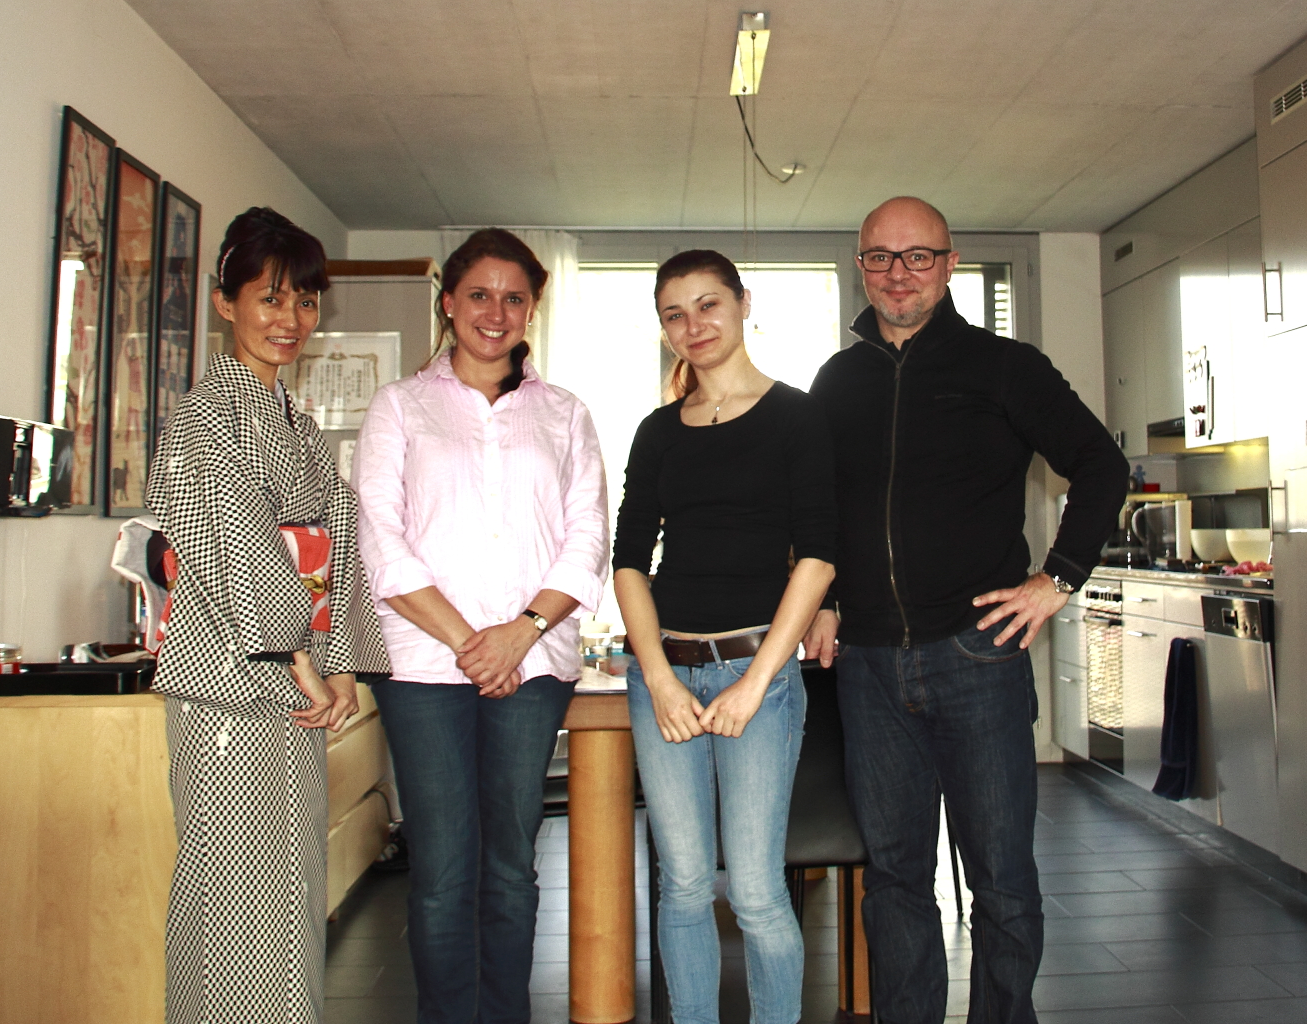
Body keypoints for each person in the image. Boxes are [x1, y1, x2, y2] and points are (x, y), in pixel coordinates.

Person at [804, 197, 1128, 1024]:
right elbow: (820, 508)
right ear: (861, 266)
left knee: (1002, 881)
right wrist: (827, 600)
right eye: (880, 257)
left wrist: (1058, 578)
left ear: (949, 265)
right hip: (869, 667)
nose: (898, 274)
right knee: (894, 881)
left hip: (976, 656)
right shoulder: (837, 381)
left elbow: (1101, 464)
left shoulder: (1005, 367)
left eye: (918, 256)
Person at [352, 228, 609, 1024]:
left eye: (514, 298)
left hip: (532, 668)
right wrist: (474, 641)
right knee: (440, 869)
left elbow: (588, 539)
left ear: (532, 310)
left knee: (509, 865)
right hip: (422, 670)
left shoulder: (565, 415)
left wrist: (519, 633)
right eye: (478, 295)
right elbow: (380, 540)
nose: (495, 312)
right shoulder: (400, 406)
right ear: (448, 304)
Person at [146, 206, 390, 1024]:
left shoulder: (296, 424)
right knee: (231, 899)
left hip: (293, 684)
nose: (291, 319)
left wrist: (340, 662)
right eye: (270, 298)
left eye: (306, 301)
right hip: (230, 685)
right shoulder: (204, 419)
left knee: (290, 894)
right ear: (226, 303)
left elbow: (339, 537)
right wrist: (299, 657)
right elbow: (234, 543)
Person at [613, 250, 837, 1024]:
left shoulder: (797, 416)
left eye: (708, 304)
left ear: (744, 303)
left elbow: (818, 557)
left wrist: (755, 681)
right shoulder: (657, 431)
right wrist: (658, 677)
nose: (693, 325)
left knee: (755, 891)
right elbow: (628, 563)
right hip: (664, 676)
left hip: (758, 674)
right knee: (680, 884)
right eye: (674, 314)